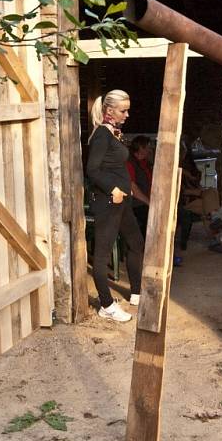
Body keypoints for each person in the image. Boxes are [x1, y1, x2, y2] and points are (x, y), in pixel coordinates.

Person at [86, 90, 144, 322]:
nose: (127, 114)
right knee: (101, 255)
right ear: (109, 111)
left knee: (136, 243)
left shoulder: (113, 133)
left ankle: (137, 293)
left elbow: (113, 166)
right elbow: (92, 169)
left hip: (122, 201)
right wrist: (113, 189)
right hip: (108, 202)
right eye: (123, 110)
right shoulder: (101, 134)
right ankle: (106, 305)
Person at [125, 135, 153, 237]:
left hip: (146, 201)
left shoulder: (146, 162)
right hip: (136, 204)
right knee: (150, 218)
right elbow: (133, 188)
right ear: (141, 148)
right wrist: (150, 203)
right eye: (148, 147)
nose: (150, 150)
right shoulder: (130, 163)